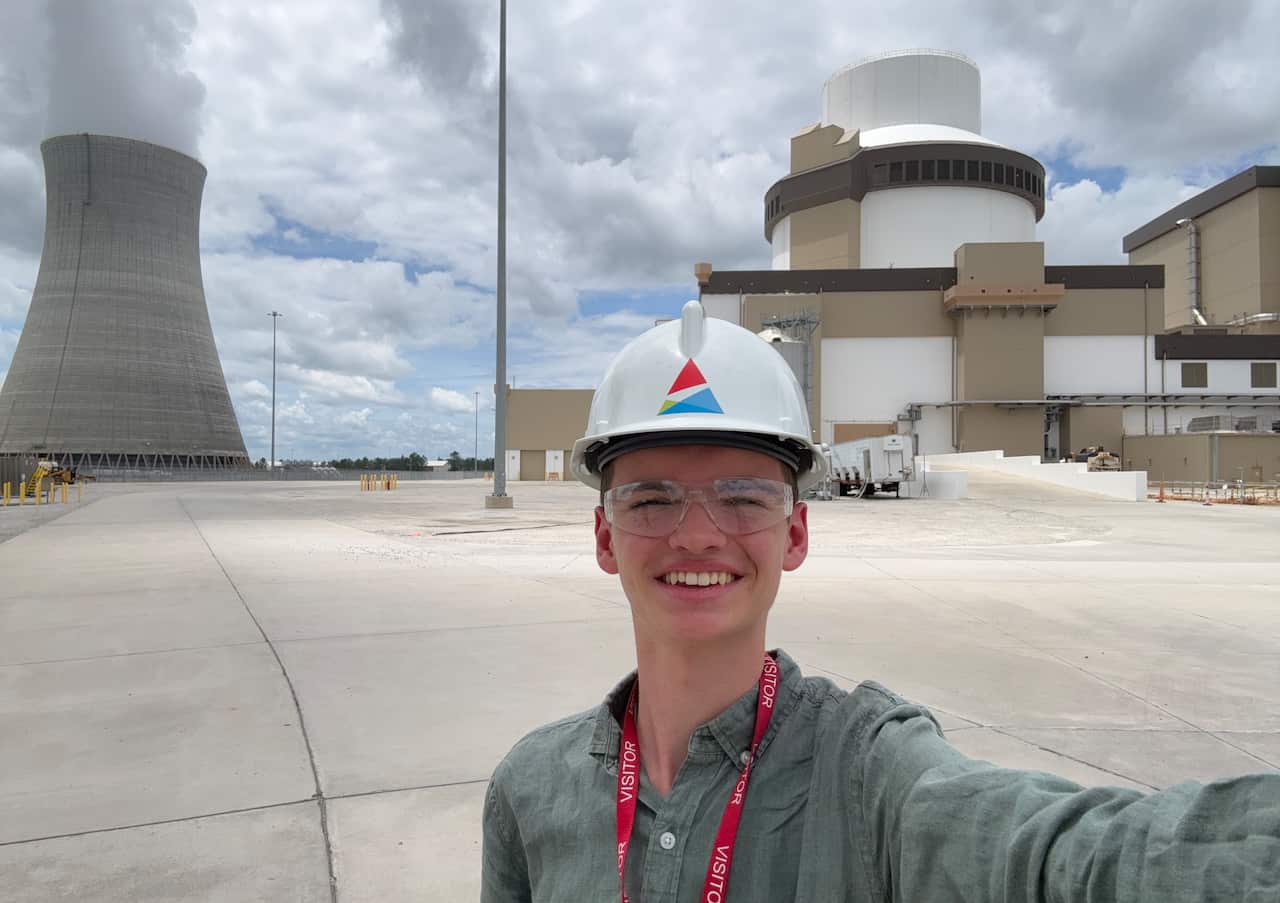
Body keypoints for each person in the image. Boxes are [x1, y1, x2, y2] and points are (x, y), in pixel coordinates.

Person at [481, 300, 1279, 902]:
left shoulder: (868, 773)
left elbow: (1059, 854)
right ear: (603, 535)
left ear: (794, 534)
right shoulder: (530, 789)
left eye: (743, 497)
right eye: (652, 499)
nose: (697, 535)